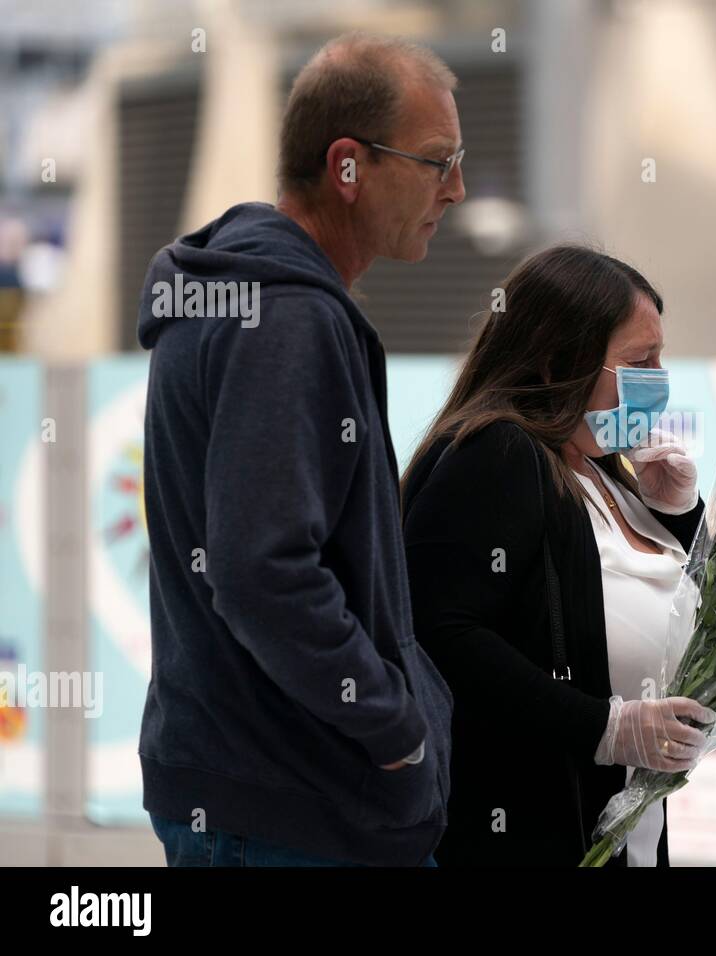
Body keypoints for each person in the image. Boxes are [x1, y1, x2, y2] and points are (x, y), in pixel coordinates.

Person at [137, 33, 463, 867]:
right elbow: (263, 572)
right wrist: (394, 725)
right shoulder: (287, 318)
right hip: (297, 810)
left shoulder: (245, 296)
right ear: (348, 165)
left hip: (259, 792)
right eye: (436, 161)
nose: (455, 190)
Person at [401, 245, 714, 867]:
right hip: (523, 830)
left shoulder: (606, 468)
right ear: (553, 362)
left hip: (627, 823)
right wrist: (602, 727)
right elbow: (441, 632)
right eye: (639, 360)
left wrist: (682, 516)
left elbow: (697, 607)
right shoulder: (499, 452)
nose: (658, 376)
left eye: (661, 356)